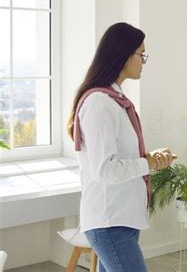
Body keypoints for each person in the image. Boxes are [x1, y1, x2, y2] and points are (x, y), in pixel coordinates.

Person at [67, 22, 176, 272]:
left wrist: (151, 158)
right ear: (124, 55)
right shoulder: (99, 104)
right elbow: (104, 169)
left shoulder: (114, 101)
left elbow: (119, 157)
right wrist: (147, 163)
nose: (144, 61)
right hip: (109, 221)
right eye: (141, 54)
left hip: (121, 218)